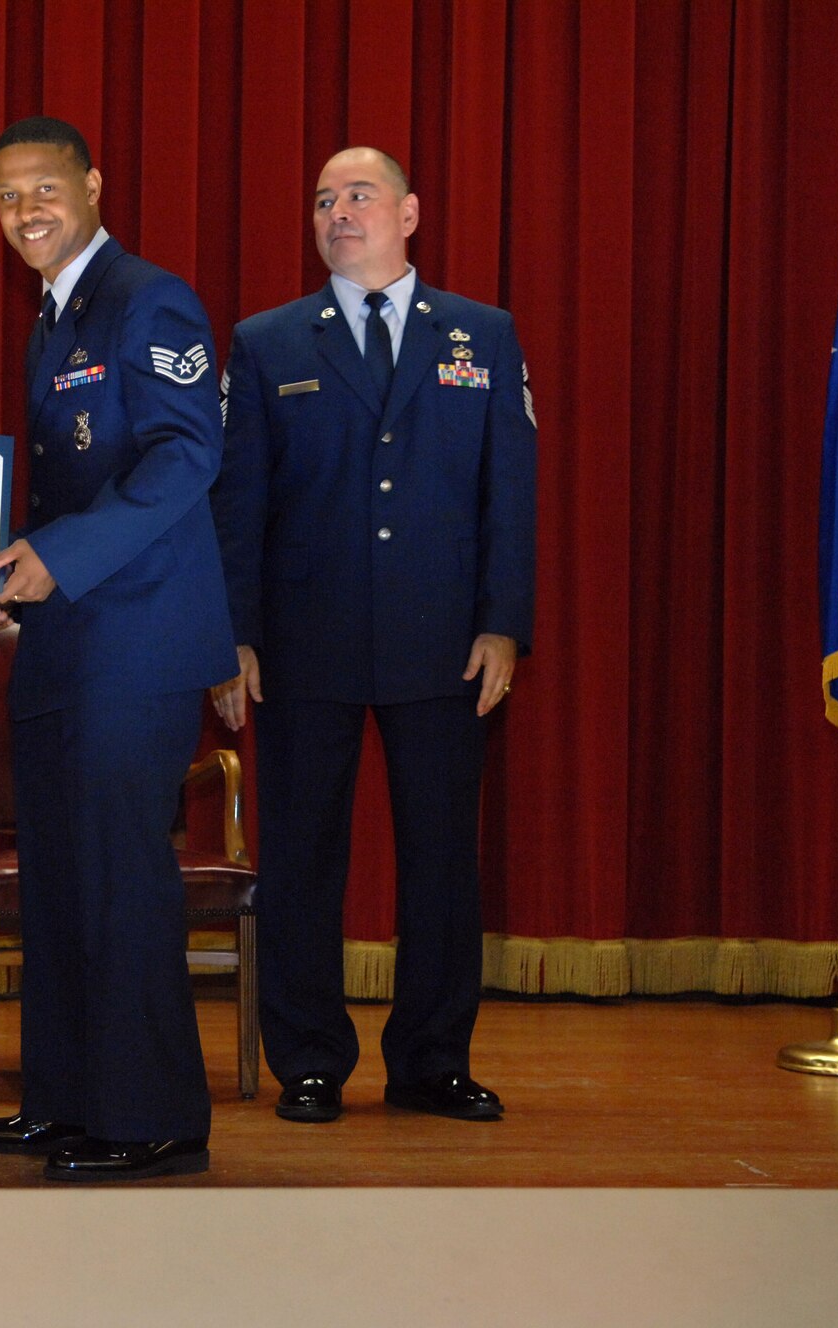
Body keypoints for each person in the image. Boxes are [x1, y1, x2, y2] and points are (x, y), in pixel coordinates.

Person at [210, 146, 536, 1125]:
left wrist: (503, 623)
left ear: (409, 212)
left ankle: (432, 1060)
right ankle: (309, 1059)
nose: (337, 211)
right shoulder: (267, 342)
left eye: (358, 194)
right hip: (302, 643)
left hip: (442, 641)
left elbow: (509, 492)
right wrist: (234, 634)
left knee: (441, 861)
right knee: (301, 859)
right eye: (322, 199)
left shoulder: (481, 333)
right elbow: (239, 502)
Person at [0, 116, 235, 1181]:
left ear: (93, 184)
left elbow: (185, 454)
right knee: (62, 880)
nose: (25, 210)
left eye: (44, 187)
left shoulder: (146, 299)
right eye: (6, 196)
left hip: (137, 642)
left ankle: (154, 1116)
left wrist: (58, 556)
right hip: (67, 644)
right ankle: (67, 1098)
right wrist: (5, 569)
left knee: (120, 880)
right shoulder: (55, 318)